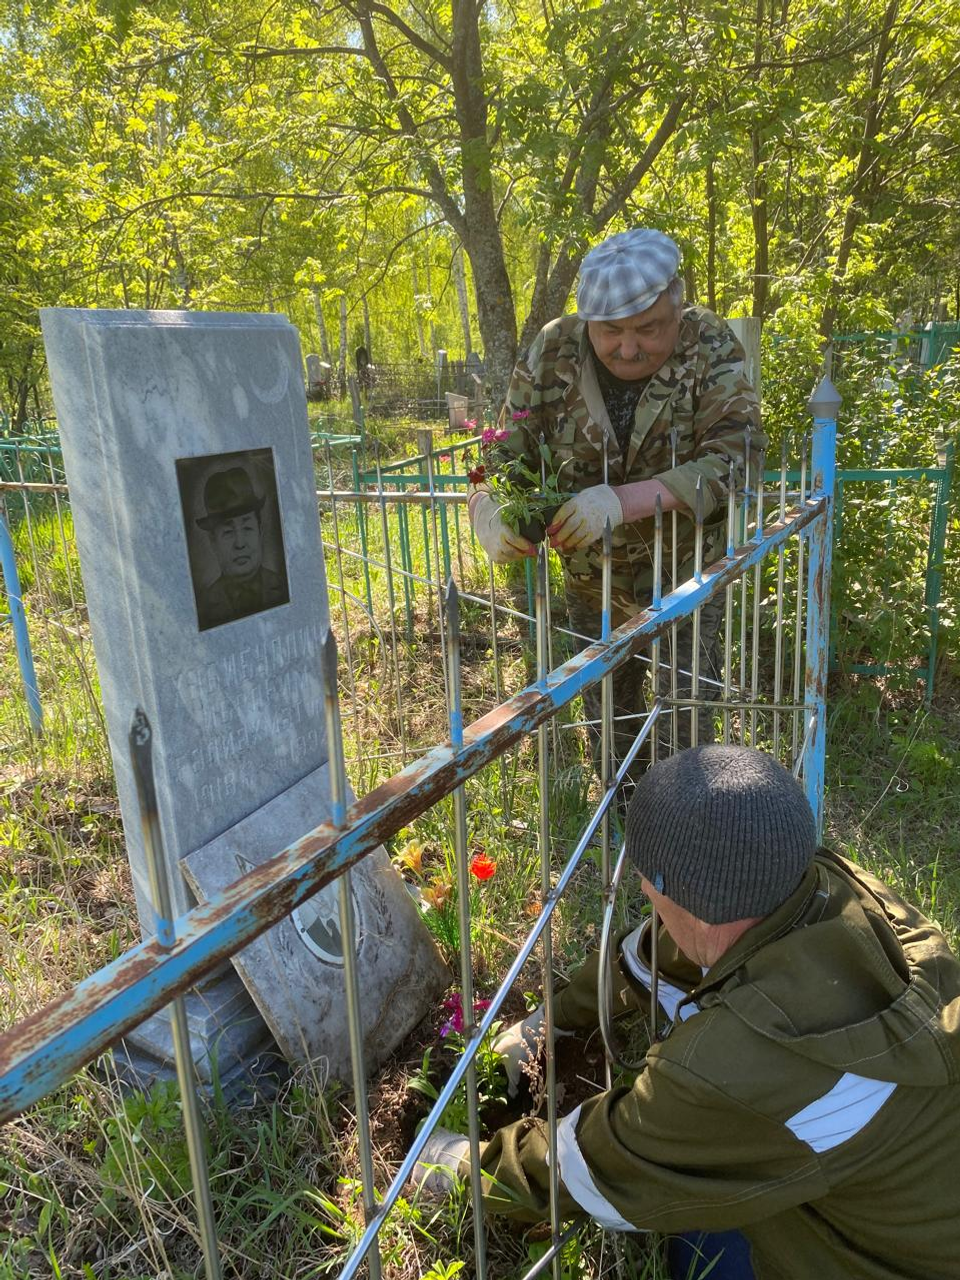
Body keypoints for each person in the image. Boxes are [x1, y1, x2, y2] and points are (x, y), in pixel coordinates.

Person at [413, 746, 960, 1279]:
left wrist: (452, 1161)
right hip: (906, 1206)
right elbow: (661, 956)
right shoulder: (835, 894)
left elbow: (592, 1171)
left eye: (651, 887)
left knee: (692, 1240)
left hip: (878, 1262)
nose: (645, 889)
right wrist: (552, 1020)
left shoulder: (738, 1066)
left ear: (688, 900)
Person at [468, 229, 765, 774]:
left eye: (648, 329)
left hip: (687, 576)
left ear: (677, 305)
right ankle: (618, 814)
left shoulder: (710, 344)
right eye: (610, 332)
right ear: (587, 322)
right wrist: (486, 510)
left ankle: (683, 829)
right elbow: (506, 455)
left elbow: (739, 457)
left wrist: (622, 500)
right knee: (606, 718)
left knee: (684, 720)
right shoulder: (554, 349)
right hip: (592, 577)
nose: (628, 348)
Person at [194, 465, 288, 630]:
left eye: (247, 528)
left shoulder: (282, 585)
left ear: (260, 531)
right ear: (213, 541)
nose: (240, 543)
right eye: (228, 532)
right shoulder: (203, 606)